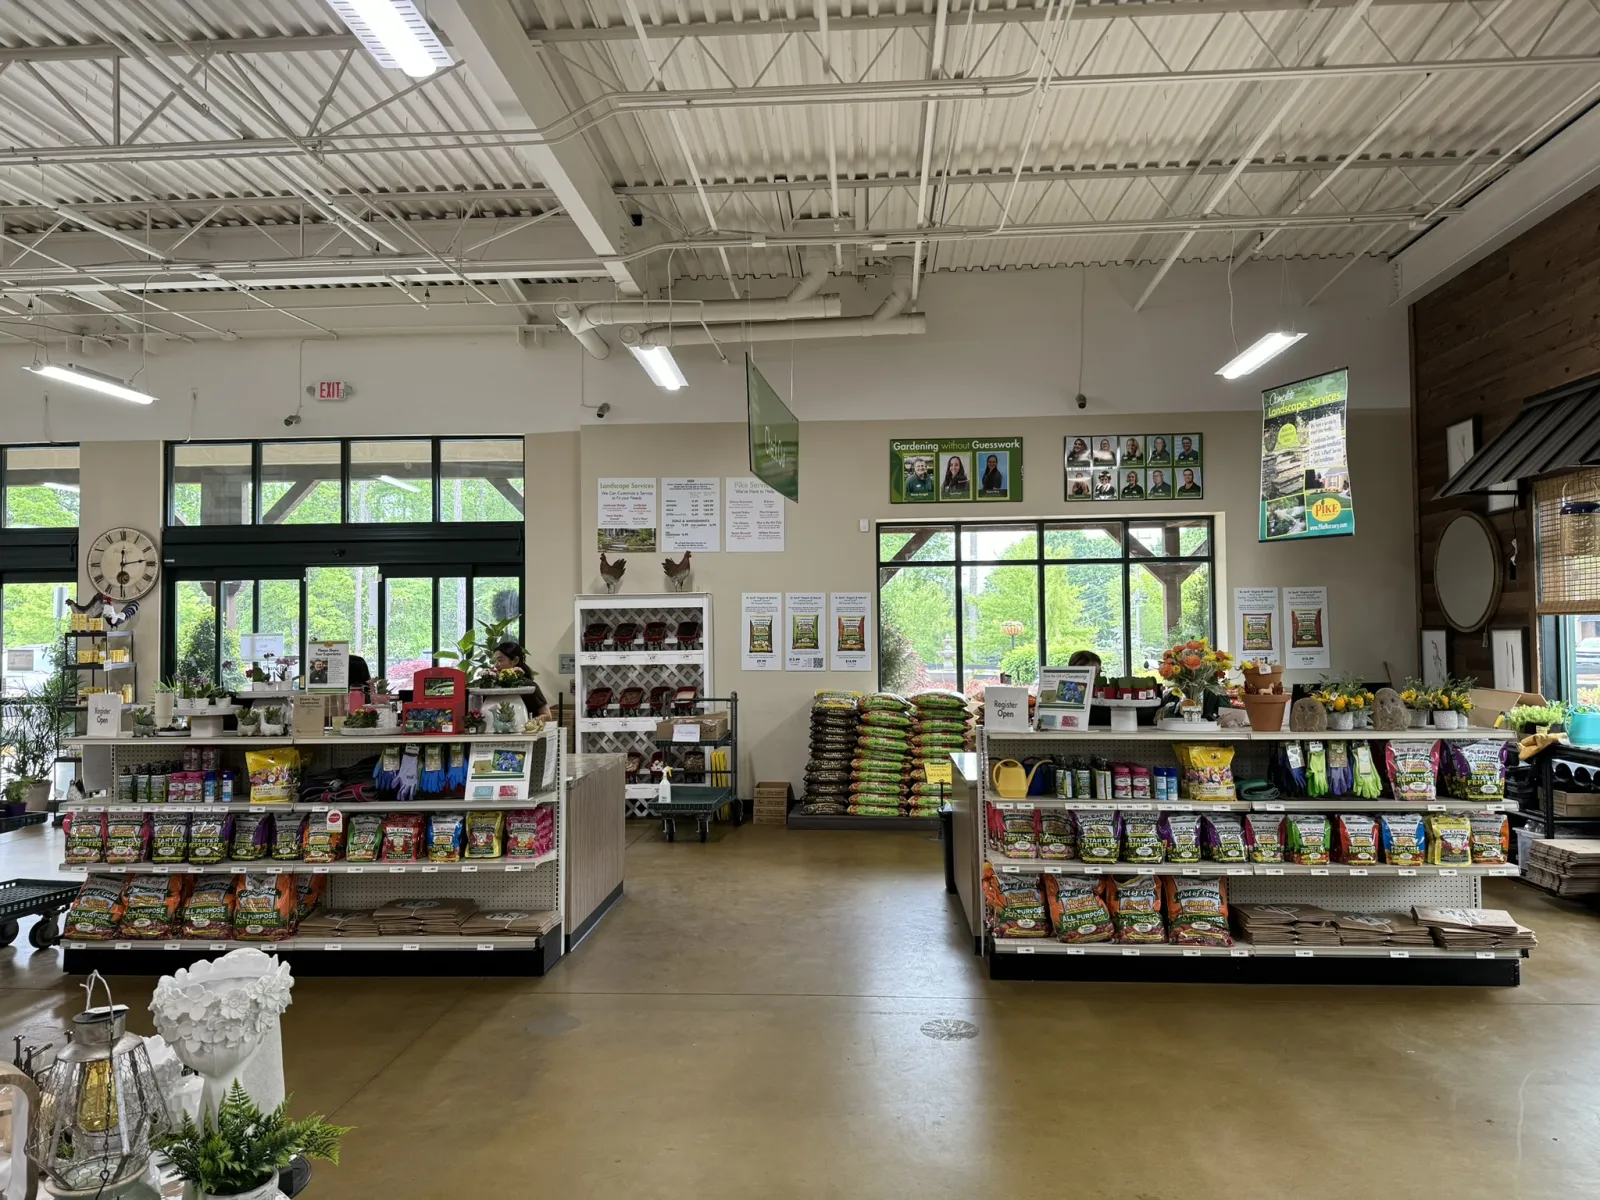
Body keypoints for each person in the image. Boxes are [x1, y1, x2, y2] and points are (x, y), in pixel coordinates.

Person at [492, 640, 552, 719]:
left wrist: (526, 724)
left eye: (500, 660)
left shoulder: (528, 685)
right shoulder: (493, 684)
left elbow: (547, 716)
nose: (496, 665)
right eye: (494, 661)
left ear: (515, 660)